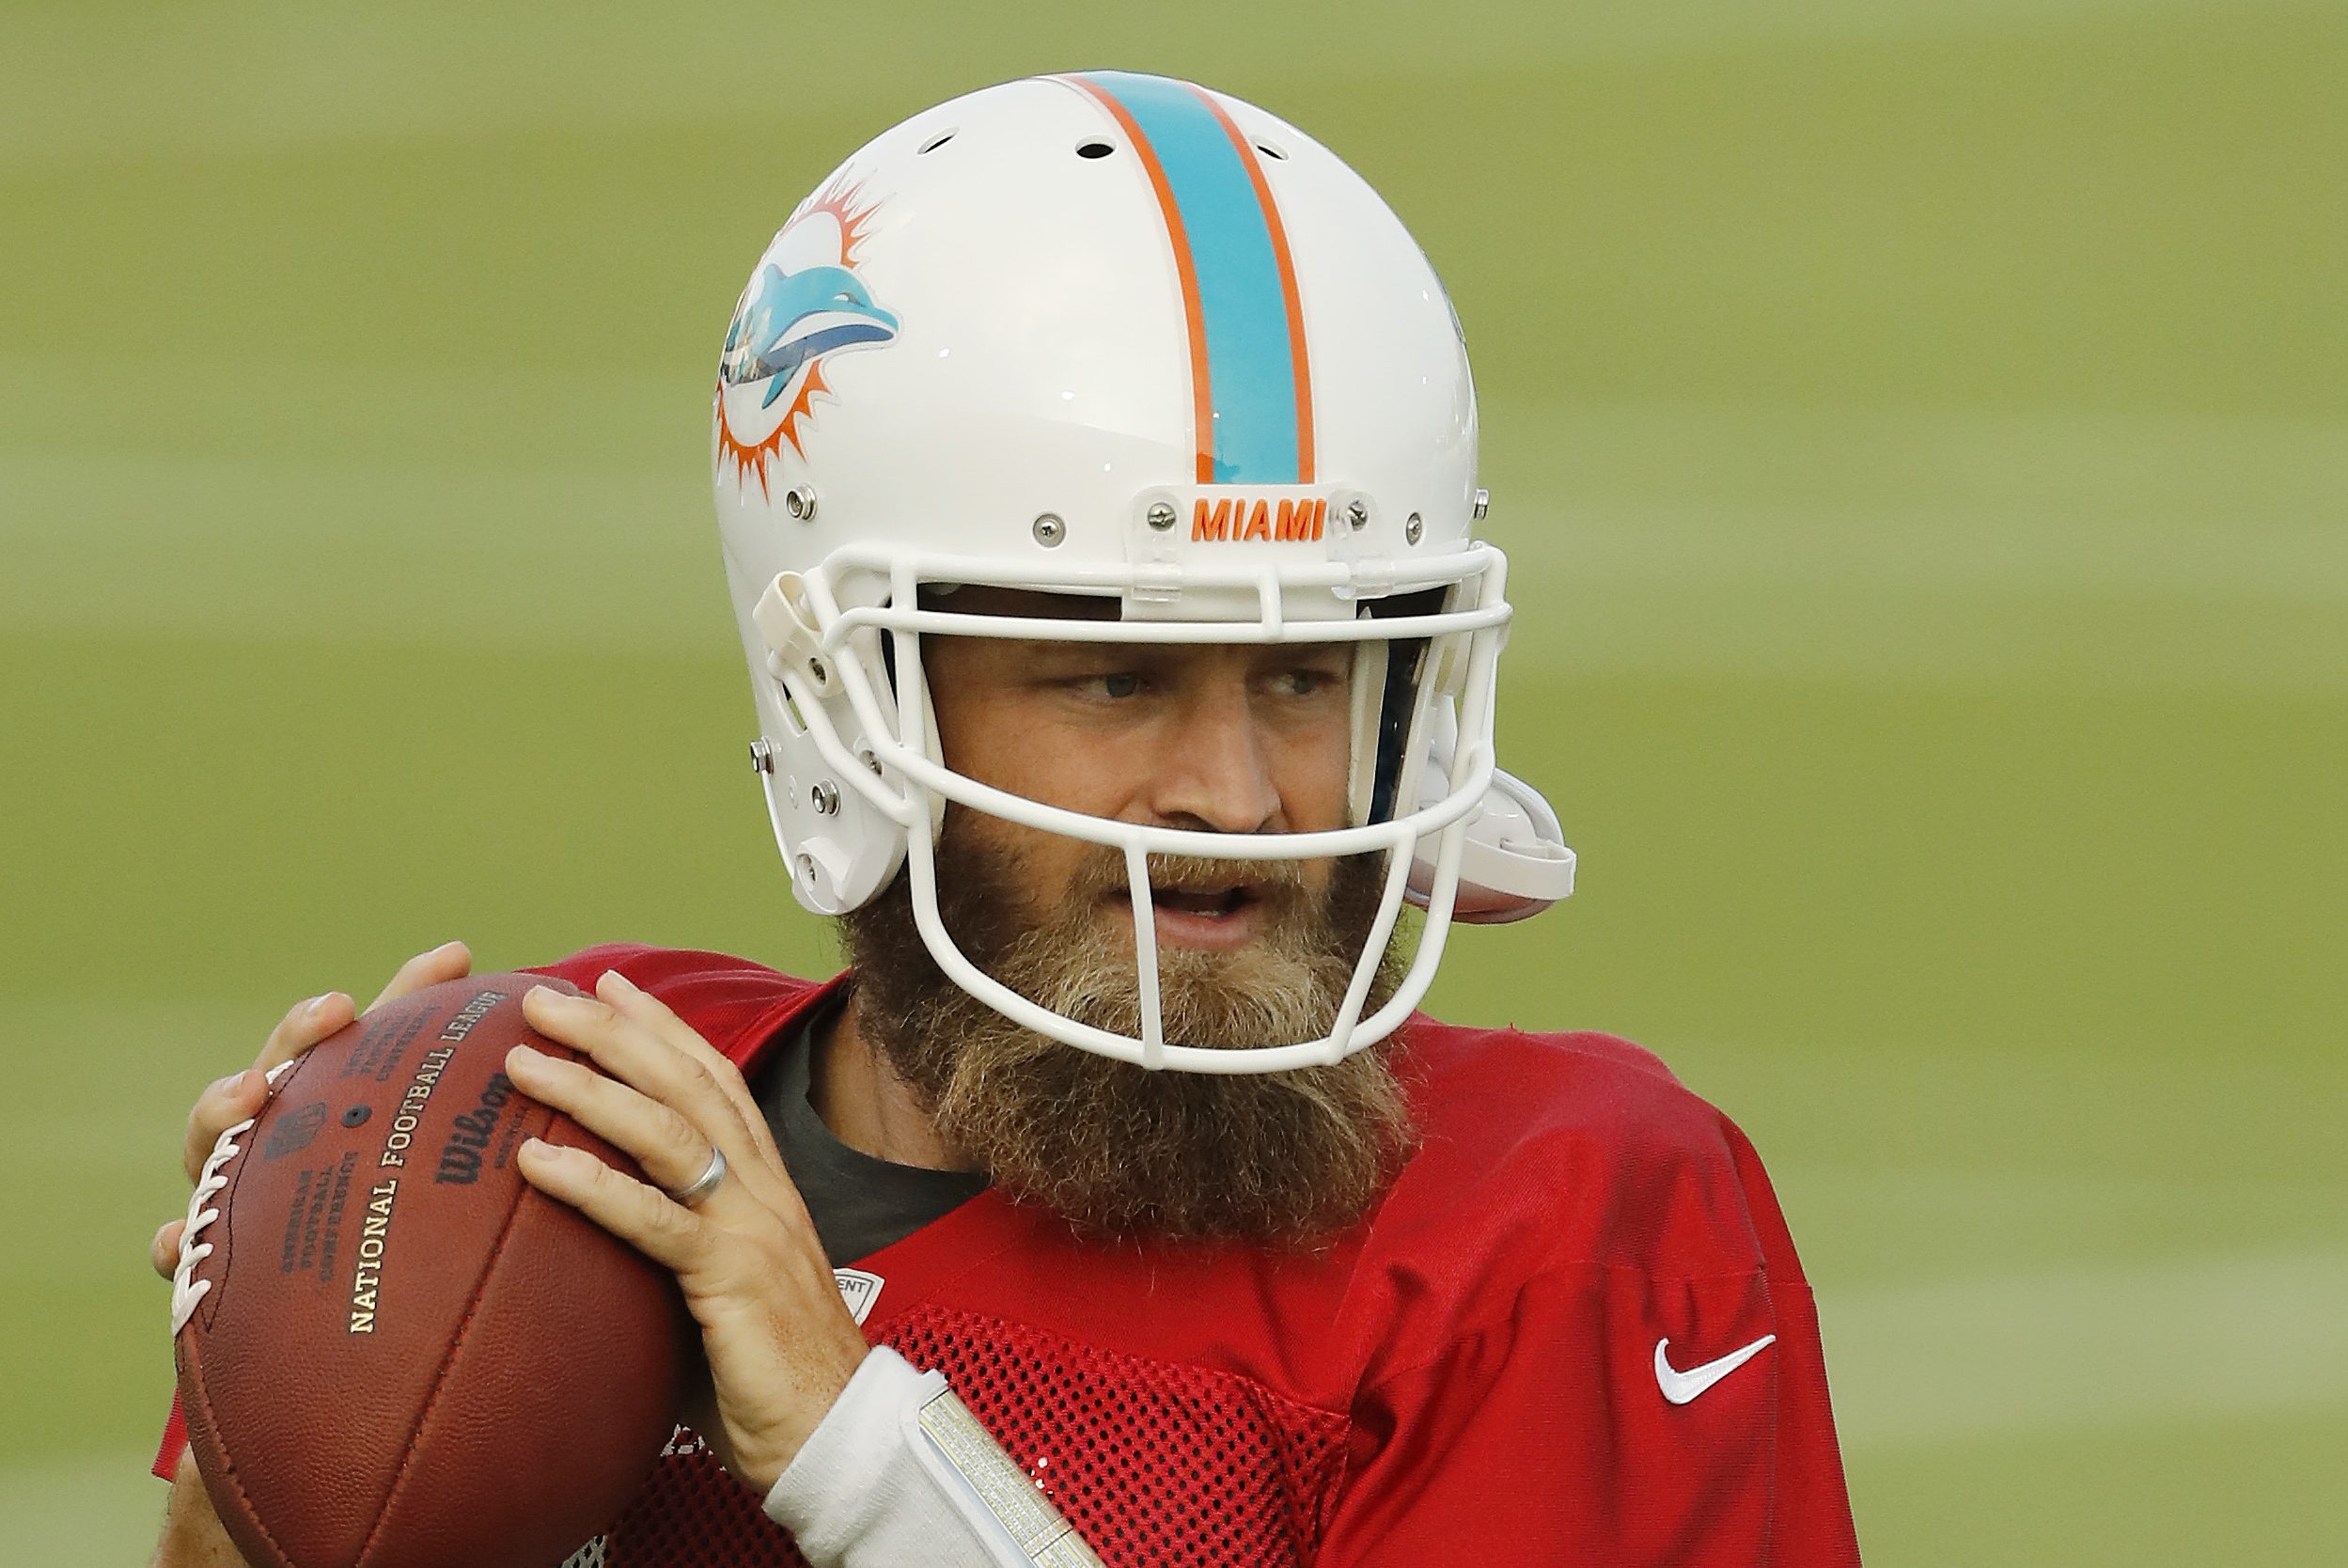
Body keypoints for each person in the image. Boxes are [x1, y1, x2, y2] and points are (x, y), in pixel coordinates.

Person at [149, 71, 1862, 1567]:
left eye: (1306, 676)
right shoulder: (577, 1133)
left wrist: (864, 1465)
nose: (1237, 794)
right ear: (853, 702)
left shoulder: (1556, 1218)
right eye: (1112, 682)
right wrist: (283, 1452)